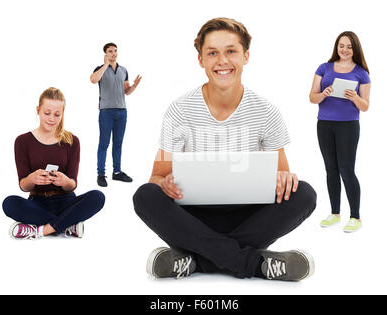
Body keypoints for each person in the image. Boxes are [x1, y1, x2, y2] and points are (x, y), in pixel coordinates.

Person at [133, 18, 317, 281]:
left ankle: (196, 261)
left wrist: (285, 179)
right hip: (194, 218)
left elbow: (283, 179)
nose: (222, 61)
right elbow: (156, 178)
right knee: (145, 196)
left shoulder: (265, 111)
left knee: (304, 194)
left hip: (247, 218)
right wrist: (165, 184)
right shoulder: (179, 111)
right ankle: (254, 264)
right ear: (201, 60)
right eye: (212, 53)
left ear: (245, 56)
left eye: (231, 51)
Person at [2, 87, 105, 240]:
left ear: (63, 113)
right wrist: (32, 179)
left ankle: (42, 230)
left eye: (57, 114)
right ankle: (67, 225)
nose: (51, 119)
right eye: (47, 113)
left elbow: (73, 184)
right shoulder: (22, 141)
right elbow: (23, 185)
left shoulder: (72, 141)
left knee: (98, 196)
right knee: (9, 203)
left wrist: (64, 182)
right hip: (37, 203)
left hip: (66, 202)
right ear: (38, 110)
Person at [309, 31, 371, 233]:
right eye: (341, 45)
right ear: (336, 47)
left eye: (349, 47)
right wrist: (323, 94)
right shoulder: (324, 68)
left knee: (347, 169)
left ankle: (355, 216)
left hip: (348, 126)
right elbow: (312, 98)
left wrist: (354, 97)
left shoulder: (361, 73)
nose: (344, 50)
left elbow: (365, 106)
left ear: (355, 49)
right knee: (330, 169)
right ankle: (335, 213)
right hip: (324, 124)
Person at [90, 42, 142, 187]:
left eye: (115, 51)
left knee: (118, 144)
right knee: (104, 144)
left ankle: (117, 172)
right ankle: (101, 174)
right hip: (106, 112)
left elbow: (127, 91)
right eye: (110, 51)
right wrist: (105, 65)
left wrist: (134, 86)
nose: (113, 53)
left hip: (122, 112)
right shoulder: (99, 69)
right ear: (105, 54)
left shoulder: (123, 70)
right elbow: (93, 80)